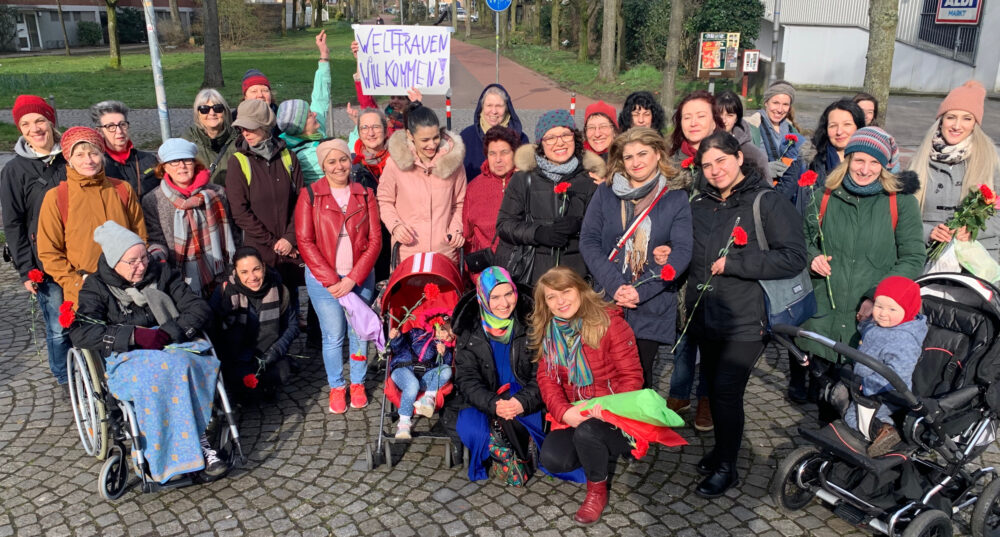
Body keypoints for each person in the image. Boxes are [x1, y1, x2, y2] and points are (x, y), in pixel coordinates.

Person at [688, 131, 807, 498]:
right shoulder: (700, 203)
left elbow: (793, 257)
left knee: (726, 391)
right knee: (712, 386)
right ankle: (720, 451)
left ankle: (728, 467)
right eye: (707, 165)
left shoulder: (766, 202)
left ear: (739, 158)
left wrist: (737, 263)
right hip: (705, 314)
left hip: (746, 317)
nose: (715, 170)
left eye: (721, 161)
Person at [67, 221, 225, 482]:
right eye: (133, 261)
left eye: (144, 258)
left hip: (172, 344)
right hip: (130, 355)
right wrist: (133, 335)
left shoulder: (162, 273)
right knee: (156, 377)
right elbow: (82, 332)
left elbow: (198, 309)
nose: (141, 266)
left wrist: (169, 332)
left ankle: (200, 442)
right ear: (115, 262)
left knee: (184, 366)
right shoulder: (96, 287)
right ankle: (162, 456)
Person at [800, 127, 925, 423]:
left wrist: (876, 297)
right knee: (824, 398)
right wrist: (812, 257)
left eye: (874, 162)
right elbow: (801, 241)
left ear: (884, 166)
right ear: (848, 159)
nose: (865, 169)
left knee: (863, 401)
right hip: (825, 317)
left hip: (871, 321)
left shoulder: (900, 202)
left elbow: (913, 258)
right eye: (859, 160)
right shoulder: (824, 196)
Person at [580, 127, 692, 389]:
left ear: (658, 154)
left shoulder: (675, 197)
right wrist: (617, 286)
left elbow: (682, 250)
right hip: (608, 298)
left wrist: (640, 291)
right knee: (603, 373)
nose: (635, 162)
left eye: (642, 154)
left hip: (650, 302)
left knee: (639, 376)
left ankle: (638, 418)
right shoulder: (606, 192)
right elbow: (589, 241)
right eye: (628, 157)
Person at [532, 266, 644, 525]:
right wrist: (564, 412)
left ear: (580, 290)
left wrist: (607, 410)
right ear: (545, 303)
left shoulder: (610, 323)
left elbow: (632, 378)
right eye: (551, 297)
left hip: (614, 412)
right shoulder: (550, 331)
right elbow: (547, 380)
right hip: (577, 411)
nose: (560, 301)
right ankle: (595, 452)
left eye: (566, 292)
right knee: (553, 459)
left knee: (588, 433)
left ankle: (597, 491)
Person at [454, 266, 584, 484]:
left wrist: (521, 401)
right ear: (483, 299)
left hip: (522, 396)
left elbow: (543, 374)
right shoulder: (469, 330)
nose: (504, 303)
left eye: (508, 294)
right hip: (484, 401)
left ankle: (510, 450)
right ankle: (509, 448)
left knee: (518, 417)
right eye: (495, 297)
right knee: (473, 431)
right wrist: (493, 404)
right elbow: (467, 381)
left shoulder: (531, 323)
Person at [295, 139, 381, 414]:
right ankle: (336, 385)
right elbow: (305, 241)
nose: (338, 166)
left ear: (350, 160)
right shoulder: (310, 195)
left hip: (359, 277)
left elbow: (375, 240)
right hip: (324, 281)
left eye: (343, 159)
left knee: (359, 333)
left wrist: (353, 278)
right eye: (331, 162)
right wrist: (332, 280)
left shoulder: (365, 194)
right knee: (333, 335)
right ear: (323, 166)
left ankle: (358, 382)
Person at [36, 127, 147, 306]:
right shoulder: (56, 197)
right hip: (84, 291)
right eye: (79, 155)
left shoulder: (122, 189)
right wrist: (75, 283)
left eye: (93, 153)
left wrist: (136, 270)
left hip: (127, 287)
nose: (88, 160)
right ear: (69, 158)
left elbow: (140, 236)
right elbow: (49, 252)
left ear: (102, 155)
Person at [1, 95, 70, 384]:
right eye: (26, 124)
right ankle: (64, 376)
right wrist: (25, 269)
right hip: (44, 261)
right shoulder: (14, 171)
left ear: (51, 121)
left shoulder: (72, 156)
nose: (34, 129)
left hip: (81, 254)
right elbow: (13, 224)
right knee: (58, 326)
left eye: (39, 120)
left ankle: (94, 373)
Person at [495, 109, 604, 286]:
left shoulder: (589, 180)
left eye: (565, 135)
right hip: (534, 278)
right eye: (550, 138)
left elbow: (603, 229)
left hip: (575, 279)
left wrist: (580, 225)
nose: (559, 142)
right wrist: (537, 233)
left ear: (575, 138)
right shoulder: (523, 179)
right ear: (541, 144)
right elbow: (504, 225)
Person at [910, 80, 1000, 259]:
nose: (957, 126)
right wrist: (928, 232)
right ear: (941, 120)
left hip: (977, 258)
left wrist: (973, 229)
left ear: (975, 123)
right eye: (951, 117)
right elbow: (902, 214)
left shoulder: (992, 160)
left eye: (967, 118)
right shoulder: (920, 160)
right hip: (928, 257)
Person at [842, 276, 928, 457]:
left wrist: (868, 386)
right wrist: (864, 323)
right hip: (865, 384)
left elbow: (899, 374)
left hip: (886, 393)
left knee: (853, 417)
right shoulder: (881, 324)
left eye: (891, 309)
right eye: (879, 306)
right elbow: (870, 332)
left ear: (908, 310)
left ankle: (887, 430)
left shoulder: (904, 340)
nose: (882, 313)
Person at [225, 99, 305, 289]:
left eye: (250, 128)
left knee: (292, 301)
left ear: (265, 126)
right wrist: (274, 242)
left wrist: (290, 238)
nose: (245, 133)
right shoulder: (238, 162)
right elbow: (240, 213)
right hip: (260, 256)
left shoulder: (288, 157)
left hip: (290, 252)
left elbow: (302, 201)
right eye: (242, 128)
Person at [142, 138, 237, 297]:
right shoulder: (152, 200)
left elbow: (233, 233)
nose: (182, 166)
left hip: (221, 274)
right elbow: (156, 239)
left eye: (187, 160)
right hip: (180, 279)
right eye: (174, 161)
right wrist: (158, 255)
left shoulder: (217, 193)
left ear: (194, 163)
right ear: (164, 167)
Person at [377, 103, 467, 263]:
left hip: (444, 252)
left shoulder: (454, 163)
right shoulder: (395, 163)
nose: (432, 145)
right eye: (425, 140)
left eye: (436, 138)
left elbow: (460, 203)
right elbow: (385, 200)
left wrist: (455, 229)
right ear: (410, 135)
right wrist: (396, 226)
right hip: (407, 252)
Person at [210, 246, 300, 402]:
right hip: (236, 356)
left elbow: (292, 326)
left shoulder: (279, 289)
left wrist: (276, 350)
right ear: (236, 272)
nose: (252, 277)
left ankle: (266, 384)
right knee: (241, 386)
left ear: (263, 266)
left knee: (282, 373)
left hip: (267, 353)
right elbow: (213, 329)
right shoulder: (224, 292)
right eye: (244, 272)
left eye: (256, 269)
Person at [669, 90, 769, 194]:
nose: (693, 123)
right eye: (687, 117)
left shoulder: (739, 161)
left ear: (714, 122)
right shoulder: (667, 162)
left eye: (701, 116)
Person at [276, 30, 332, 186]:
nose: (315, 114)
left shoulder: (312, 132)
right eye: (309, 115)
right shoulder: (306, 156)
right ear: (300, 127)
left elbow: (320, 97)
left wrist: (324, 56)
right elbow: (345, 159)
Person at [387, 311, 455, 439]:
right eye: (445, 330)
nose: (446, 335)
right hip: (403, 369)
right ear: (438, 325)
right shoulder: (418, 333)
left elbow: (444, 367)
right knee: (412, 384)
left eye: (451, 336)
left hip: (424, 378)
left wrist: (444, 354)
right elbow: (398, 347)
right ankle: (404, 424)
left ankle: (428, 398)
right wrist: (397, 337)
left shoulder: (444, 348)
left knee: (446, 370)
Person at [463, 126, 521, 257]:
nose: (498, 159)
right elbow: (466, 234)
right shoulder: (474, 188)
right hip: (486, 263)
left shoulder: (526, 181)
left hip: (521, 261)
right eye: (492, 153)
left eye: (504, 152)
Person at [743, 80, 804, 195]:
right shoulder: (749, 127)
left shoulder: (792, 129)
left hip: (788, 192)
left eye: (785, 104)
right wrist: (763, 169)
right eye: (775, 103)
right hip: (758, 192)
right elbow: (738, 165)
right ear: (766, 102)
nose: (780, 110)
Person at [460, 84, 530, 182]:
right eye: (489, 105)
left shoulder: (521, 139)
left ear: (507, 108)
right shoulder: (466, 137)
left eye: (499, 106)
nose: (494, 111)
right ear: (482, 107)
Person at [90, 100, 159, 198]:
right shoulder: (96, 166)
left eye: (122, 124)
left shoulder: (149, 160)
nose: (119, 131)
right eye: (111, 126)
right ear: (99, 131)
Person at [184, 89, 239, 186]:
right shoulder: (186, 143)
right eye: (204, 109)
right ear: (197, 114)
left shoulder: (239, 140)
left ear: (225, 111)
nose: (212, 113)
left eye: (217, 108)